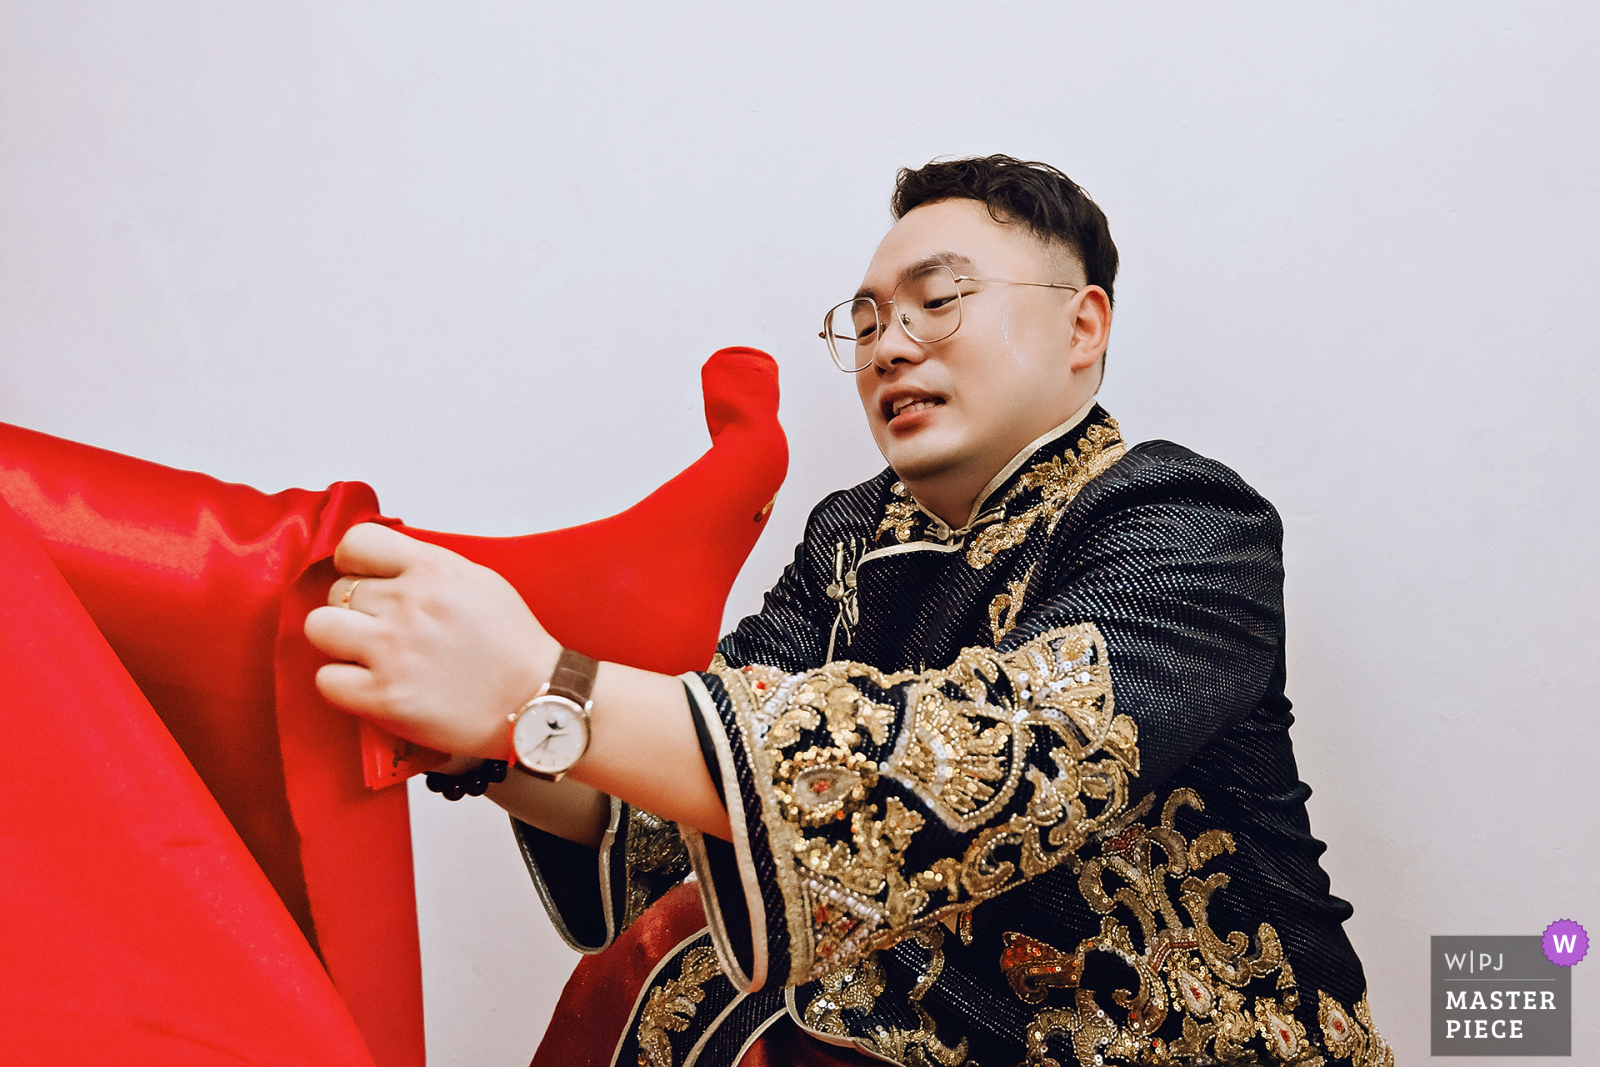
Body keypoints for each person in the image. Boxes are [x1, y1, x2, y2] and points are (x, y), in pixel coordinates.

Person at [305, 155, 1392, 1067]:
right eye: (866, 320)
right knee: (700, 951)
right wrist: (493, 736)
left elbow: (991, 758)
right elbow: (685, 808)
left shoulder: (1182, 517)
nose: (888, 345)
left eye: (938, 299)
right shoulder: (850, 538)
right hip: (945, 1029)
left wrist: (550, 684)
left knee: (738, 974)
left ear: (1082, 326)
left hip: (1189, 1040)